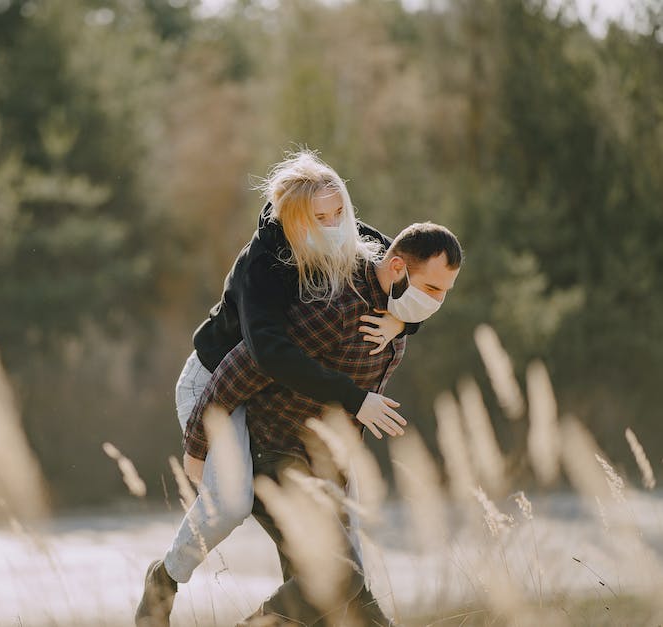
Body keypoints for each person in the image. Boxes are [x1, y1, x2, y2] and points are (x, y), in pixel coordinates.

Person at [136, 151, 419, 626]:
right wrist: (198, 441)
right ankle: (162, 580)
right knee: (229, 502)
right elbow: (268, 353)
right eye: (319, 218)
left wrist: (400, 325)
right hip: (218, 383)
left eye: (339, 213)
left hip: (275, 391)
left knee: (329, 561)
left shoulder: (354, 235)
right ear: (292, 217)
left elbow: (413, 287)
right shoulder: (262, 265)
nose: (333, 225)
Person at [187, 222, 463, 625]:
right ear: (398, 267)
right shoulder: (338, 307)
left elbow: (405, 305)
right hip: (279, 453)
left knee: (338, 597)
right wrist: (197, 445)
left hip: (324, 466)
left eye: (445, 293)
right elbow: (242, 367)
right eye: (433, 290)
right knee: (339, 575)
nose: (437, 302)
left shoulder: (394, 310)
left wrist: (404, 323)